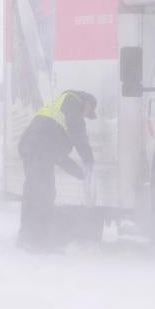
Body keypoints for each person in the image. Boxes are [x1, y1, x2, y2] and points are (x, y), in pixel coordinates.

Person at [17, 90, 96, 251]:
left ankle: (34, 237)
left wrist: (79, 173)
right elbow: (79, 135)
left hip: (36, 149)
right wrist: (88, 160)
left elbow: (59, 156)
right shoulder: (73, 102)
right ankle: (33, 238)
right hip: (37, 149)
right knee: (40, 193)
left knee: (41, 192)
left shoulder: (63, 111)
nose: (87, 116)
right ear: (87, 103)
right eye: (90, 111)